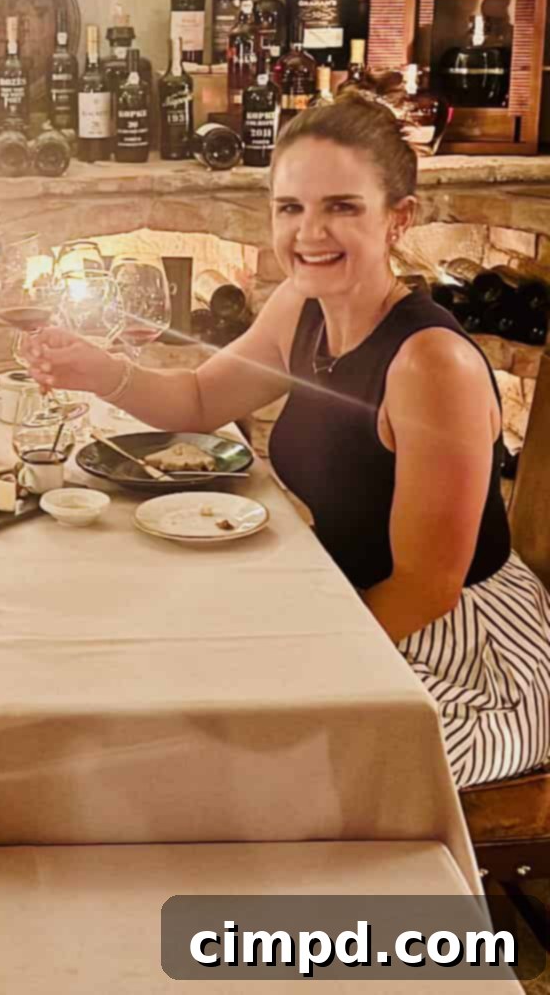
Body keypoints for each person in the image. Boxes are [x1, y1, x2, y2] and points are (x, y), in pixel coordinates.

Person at [28, 92, 550, 789]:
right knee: (137, 679)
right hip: (348, 602)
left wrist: (296, 660)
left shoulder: (430, 364)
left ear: (400, 219)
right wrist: (98, 371)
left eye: (342, 206)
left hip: (457, 657)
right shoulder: (302, 305)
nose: (310, 232)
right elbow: (204, 399)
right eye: (291, 208)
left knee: (240, 774)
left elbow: (427, 588)